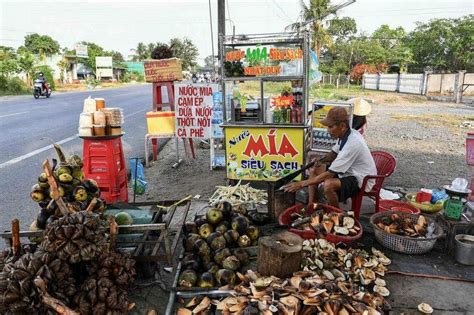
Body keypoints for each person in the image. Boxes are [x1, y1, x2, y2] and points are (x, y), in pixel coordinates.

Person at [284, 106, 377, 209]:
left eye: (330, 127)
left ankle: (336, 212)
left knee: (328, 185)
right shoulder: (344, 135)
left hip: (361, 180)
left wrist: (301, 184)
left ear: (342, 126)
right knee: (314, 170)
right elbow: (333, 154)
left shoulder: (353, 143)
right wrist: (320, 161)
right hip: (348, 173)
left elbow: (329, 174)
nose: (328, 130)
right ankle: (311, 204)